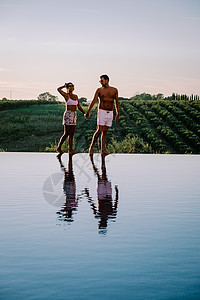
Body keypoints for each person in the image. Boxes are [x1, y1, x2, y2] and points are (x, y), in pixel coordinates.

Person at [85, 74, 120, 156]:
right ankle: (91, 147)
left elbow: (116, 102)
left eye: (102, 80)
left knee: (105, 131)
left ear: (107, 80)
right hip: (102, 111)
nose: (100, 82)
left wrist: (118, 113)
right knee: (99, 130)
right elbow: (93, 101)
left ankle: (103, 150)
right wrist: (88, 111)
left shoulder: (114, 90)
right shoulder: (99, 90)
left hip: (110, 112)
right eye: (100, 81)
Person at [84, 155, 119, 235]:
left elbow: (92, 204)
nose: (100, 221)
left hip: (104, 195)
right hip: (106, 195)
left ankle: (97, 163)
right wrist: (117, 192)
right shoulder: (111, 214)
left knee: (101, 177)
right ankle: (100, 162)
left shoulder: (101, 215)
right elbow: (116, 202)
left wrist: (87, 194)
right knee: (102, 176)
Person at [56, 82, 85, 156]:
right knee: (66, 133)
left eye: (73, 86)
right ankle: (59, 147)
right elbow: (58, 89)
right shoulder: (66, 95)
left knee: (72, 134)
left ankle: (70, 150)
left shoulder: (75, 96)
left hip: (74, 115)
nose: (72, 87)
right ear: (67, 88)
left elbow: (78, 106)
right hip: (68, 114)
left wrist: (84, 113)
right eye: (70, 86)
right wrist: (64, 86)